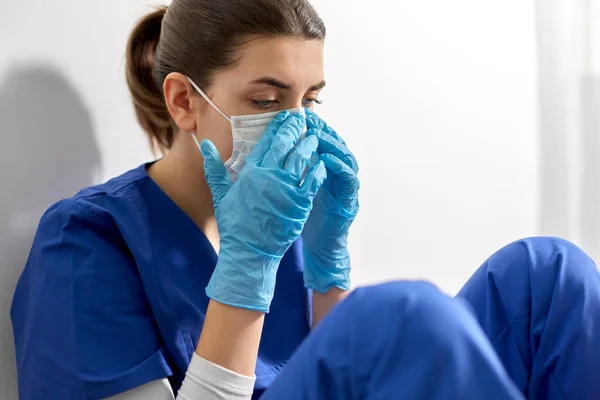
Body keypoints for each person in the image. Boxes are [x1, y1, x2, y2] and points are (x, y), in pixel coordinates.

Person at [10, 0, 600, 399]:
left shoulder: (278, 211)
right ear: (184, 102)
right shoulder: (83, 247)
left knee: (548, 274)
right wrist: (246, 268)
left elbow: (342, 371)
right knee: (401, 316)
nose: (297, 129)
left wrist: (328, 264)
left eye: (310, 100)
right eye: (267, 102)